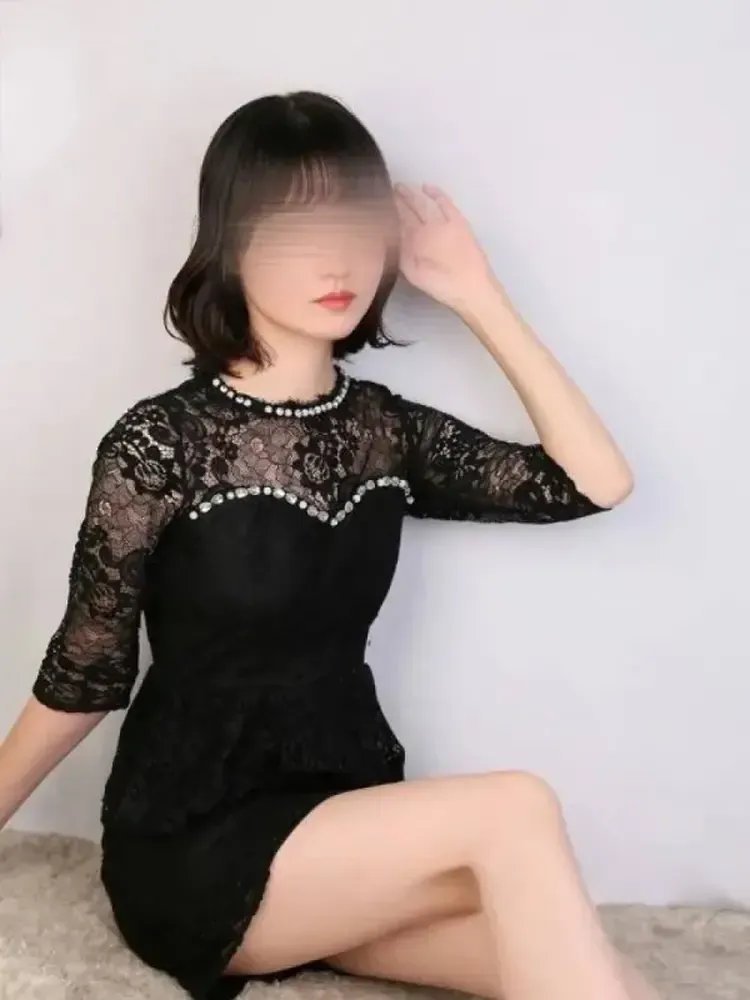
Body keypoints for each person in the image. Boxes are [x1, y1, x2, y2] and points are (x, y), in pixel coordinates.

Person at [0, 90, 657, 1000]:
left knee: (602, 974)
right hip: (195, 848)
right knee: (515, 811)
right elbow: (86, 673)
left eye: (356, 224)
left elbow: (593, 481)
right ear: (229, 244)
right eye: (295, 229)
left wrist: (476, 293)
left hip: (341, 830)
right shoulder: (160, 443)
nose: (338, 257)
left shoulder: (384, 431)